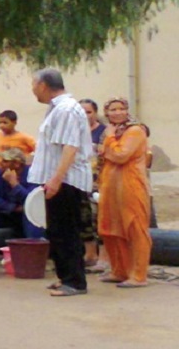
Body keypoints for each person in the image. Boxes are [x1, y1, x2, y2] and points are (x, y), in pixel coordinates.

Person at [28, 69, 93, 297]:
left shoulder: (66, 110)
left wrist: (56, 179)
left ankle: (75, 282)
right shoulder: (56, 109)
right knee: (56, 230)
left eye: (34, 85)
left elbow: (70, 147)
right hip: (56, 179)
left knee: (67, 231)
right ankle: (65, 276)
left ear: (44, 85)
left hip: (67, 180)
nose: (33, 90)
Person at [97, 98, 151, 288]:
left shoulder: (135, 131)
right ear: (107, 112)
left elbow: (121, 155)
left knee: (134, 228)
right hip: (110, 186)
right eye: (113, 109)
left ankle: (138, 275)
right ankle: (119, 271)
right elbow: (102, 153)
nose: (118, 112)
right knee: (110, 228)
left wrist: (110, 140)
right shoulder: (110, 132)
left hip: (131, 186)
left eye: (121, 109)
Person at [78, 98, 109, 273]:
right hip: (80, 181)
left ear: (95, 113)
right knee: (84, 219)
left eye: (88, 112)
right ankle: (90, 255)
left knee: (100, 219)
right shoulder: (75, 131)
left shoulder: (104, 132)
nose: (85, 115)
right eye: (81, 111)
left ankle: (104, 257)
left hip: (100, 182)